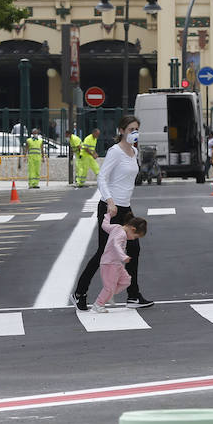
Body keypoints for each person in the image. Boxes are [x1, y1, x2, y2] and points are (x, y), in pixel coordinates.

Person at [71, 116, 153, 311]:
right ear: (121, 130)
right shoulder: (115, 152)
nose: (134, 132)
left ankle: (133, 296)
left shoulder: (134, 151)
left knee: (134, 249)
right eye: (131, 129)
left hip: (126, 208)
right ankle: (80, 292)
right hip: (110, 207)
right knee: (103, 252)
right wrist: (109, 200)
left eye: (136, 129)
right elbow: (102, 177)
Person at [91, 207, 148, 313]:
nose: (133, 239)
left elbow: (104, 226)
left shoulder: (116, 227)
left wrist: (107, 216)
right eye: (135, 237)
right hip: (109, 263)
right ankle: (98, 304)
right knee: (109, 287)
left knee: (126, 281)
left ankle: (109, 295)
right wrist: (123, 256)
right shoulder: (121, 234)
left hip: (116, 264)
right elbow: (116, 245)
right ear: (133, 229)